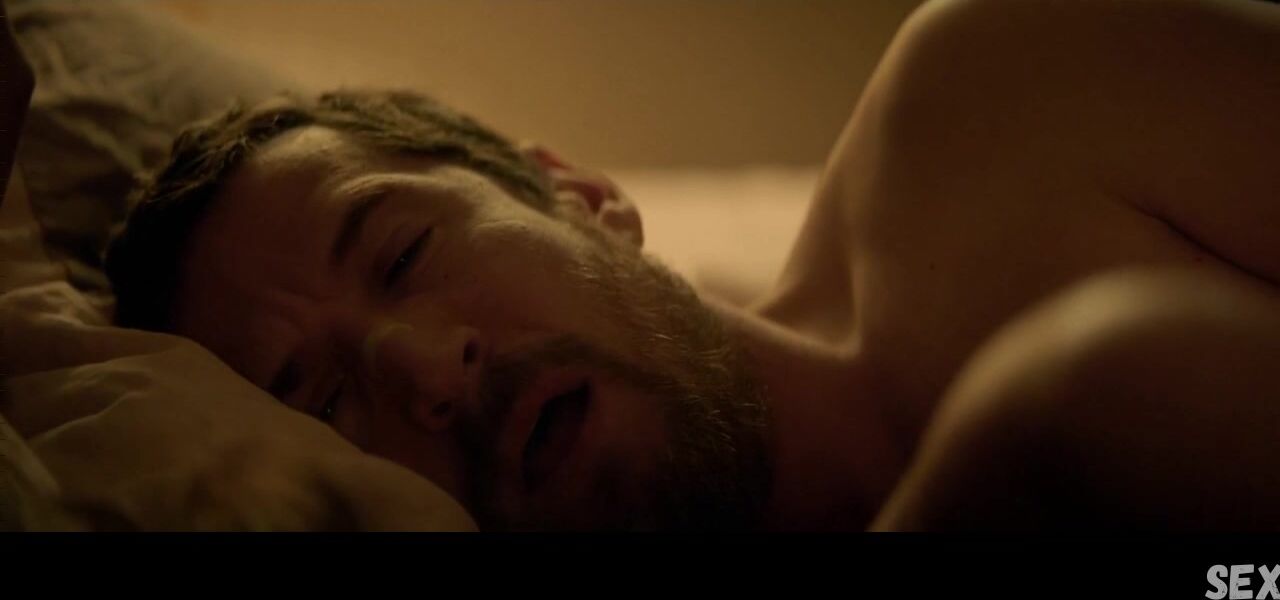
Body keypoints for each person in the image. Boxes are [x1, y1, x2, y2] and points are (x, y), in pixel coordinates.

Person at [93, 0, 1280, 531]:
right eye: (321, 400)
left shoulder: (1001, 102)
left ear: (580, 196)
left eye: (405, 251)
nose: (421, 368)